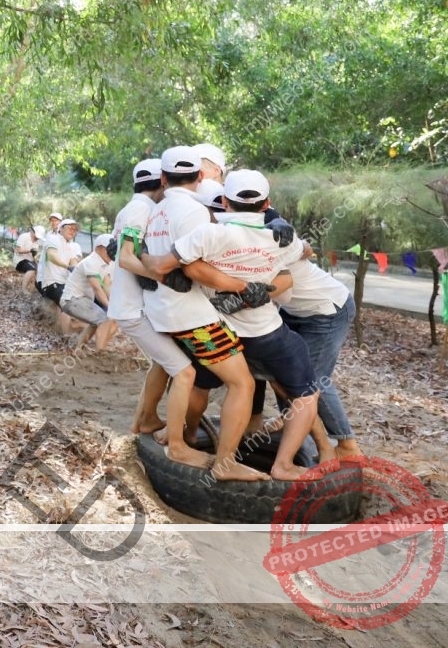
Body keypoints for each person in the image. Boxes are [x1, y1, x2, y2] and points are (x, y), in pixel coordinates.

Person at [146, 170, 320, 482]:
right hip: (267, 332)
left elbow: (169, 263)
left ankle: (186, 436)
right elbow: (305, 253)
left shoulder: (208, 234)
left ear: (225, 202)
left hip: (215, 330)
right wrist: (284, 229)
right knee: (306, 393)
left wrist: (135, 252)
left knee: (199, 383)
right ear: (266, 203)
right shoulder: (279, 237)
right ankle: (283, 464)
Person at [138, 146, 265, 481]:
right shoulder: (194, 212)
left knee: (178, 371)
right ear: (200, 177)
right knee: (242, 383)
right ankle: (223, 462)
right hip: (191, 317)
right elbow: (194, 269)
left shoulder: (156, 210)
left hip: (161, 309)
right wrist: (239, 286)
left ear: (163, 179)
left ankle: (164, 429)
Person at [109, 158, 195, 437]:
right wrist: (165, 276)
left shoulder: (140, 207)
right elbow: (125, 259)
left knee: (163, 363)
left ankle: (142, 421)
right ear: (161, 181)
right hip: (133, 310)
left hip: (137, 307)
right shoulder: (139, 209)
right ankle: (177, 442)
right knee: (184, 372)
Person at [275, 233, 363, 460]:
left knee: (312, 380)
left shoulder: (269, 234)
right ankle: (295, 429)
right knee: (281, 370)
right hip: (293, 310)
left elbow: (305, 248)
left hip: (327, 310)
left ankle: (347, 445)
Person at [60, 234, 119, 352]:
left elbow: (106, 286)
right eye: (109, 248)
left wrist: (116, 306)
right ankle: (100, 351)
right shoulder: (91, 262)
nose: (113, 251)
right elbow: (97, 288)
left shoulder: (107, 264)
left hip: (83, 300)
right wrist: (111, 307)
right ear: (99, 248)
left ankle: (79, 349)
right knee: (104, 320)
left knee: (97, 321)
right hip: (72, 300)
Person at [38, 219, 82, 335]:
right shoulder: (53, 239)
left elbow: (73, 262)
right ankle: (67, 337)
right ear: (61, 228)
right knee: (67, 305)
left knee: (65, 304)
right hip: (51, 282)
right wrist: (67, 267)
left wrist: (76, 270)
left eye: (75, 229)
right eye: (70, 228)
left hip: (63, 283)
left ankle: (59, 328)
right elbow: (52, 256)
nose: (73, 231)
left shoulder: (71, 246)